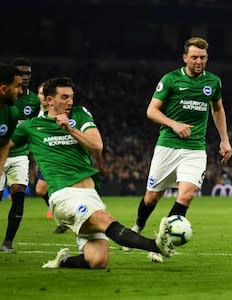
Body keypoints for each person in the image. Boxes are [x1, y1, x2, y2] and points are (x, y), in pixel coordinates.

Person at [2, 77, 172, 268]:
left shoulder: (80, 114)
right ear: (49, 100)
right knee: (104, 220)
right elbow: (5, 145)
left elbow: (96, 145)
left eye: (71, 97)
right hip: (63, 196)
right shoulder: (31, 126)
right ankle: (155, 246)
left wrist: (70, 128)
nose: (70, 102)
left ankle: (63, 261)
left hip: (90, 195)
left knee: (98, 260)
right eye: (64, 97)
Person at [123, 37, 232, 261]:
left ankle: (162, 244)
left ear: (207, 58)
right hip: (167, 147)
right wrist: (174, 124)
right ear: (185, 58)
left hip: (195, 149)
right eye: (194, 57)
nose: (198, 61)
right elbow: (151, 111)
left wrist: (224, 139)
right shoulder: (170, 79)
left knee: (187, 195)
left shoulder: (213, 82)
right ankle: (138, 225)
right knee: (151, 198)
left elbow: (218, 109)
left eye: (202, 57)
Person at [1, 58, 41, 253]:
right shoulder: (7, 100)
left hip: (19, 154)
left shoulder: (33, 101)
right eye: (21, 73)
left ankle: (8, 242)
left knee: (18, 194)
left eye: (28, 74)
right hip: (2, 152)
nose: (25, 77)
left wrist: (34, 160)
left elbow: (32, 131)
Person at [35, 82, 68, 233]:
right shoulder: (35, 114)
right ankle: (62, 216)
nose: (42, 97)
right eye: (40, 94)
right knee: (41, 190)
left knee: (43, 189)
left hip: (57, 156)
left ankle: (63, 220)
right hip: (43, 158)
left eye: (44, 94)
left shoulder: (57, 113)